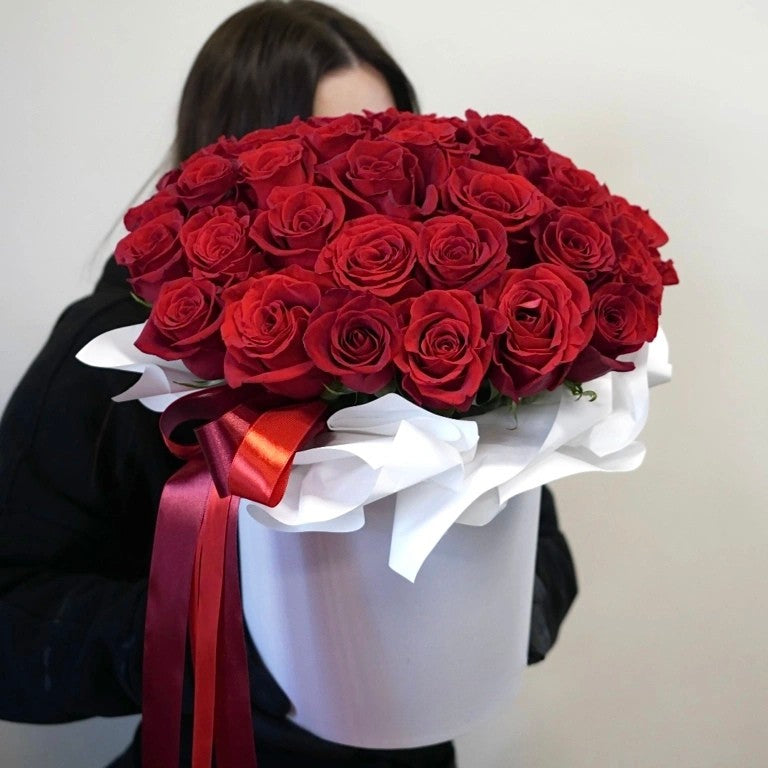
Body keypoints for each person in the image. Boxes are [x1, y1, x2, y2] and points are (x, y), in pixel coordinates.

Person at [0, 2, 578, 766]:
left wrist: (488, 616)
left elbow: (541, 555)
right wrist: (230, 631)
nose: (373, 184)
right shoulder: (122, 346)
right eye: (331, 155)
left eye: (389, 145)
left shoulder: (453, 331)